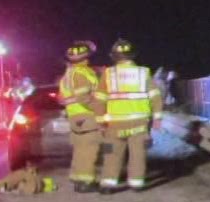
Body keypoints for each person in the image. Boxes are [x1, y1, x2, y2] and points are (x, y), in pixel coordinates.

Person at [98, 37, 164, 193]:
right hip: (139, 123)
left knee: (111, 153)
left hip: (113, 125)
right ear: (133, 55)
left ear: (113, 56)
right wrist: (157, 118)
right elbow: (155, 96)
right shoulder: (143, 73)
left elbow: (99, 99)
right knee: (138, 154)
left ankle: (108, 184)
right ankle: (136, 183)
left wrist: (100, 121)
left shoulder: (108, 74)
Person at [56, 40, 105, 193]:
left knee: (80, 149)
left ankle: (78, 178)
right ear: (86, 57)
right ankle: (86, 182)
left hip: (76, 116)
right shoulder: (82, 73)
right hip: (86, 115)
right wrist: (100, 111)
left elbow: (61, 98)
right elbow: (84, 98)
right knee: (89, 150)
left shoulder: (68, 74)